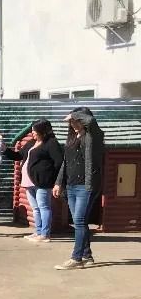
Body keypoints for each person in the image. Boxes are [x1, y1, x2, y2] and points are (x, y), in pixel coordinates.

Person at [54, 108, 105, 270]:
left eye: (76, 120)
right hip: (71, 185)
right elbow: (65, 162)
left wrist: (75, 115)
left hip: (86, 186)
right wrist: (58, 182)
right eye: (71, 121)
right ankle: (87, 255)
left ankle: (76, 258)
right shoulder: (71, 138)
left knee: (80, 221)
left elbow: (91, 121)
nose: (73, 124)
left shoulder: (94, 136)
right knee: (79, 223)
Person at [14, 119, 63, 244]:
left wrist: (53, 179)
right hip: (29, 182)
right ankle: (39, 231)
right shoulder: (31, 142)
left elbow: (59, 162)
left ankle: (45, 234)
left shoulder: (51, 143)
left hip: (43, 182)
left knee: (44, 207)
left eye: (35, 131)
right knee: (35, 208)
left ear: (43, 131)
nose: (32, 133)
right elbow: (18, 155)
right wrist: (4, 150)